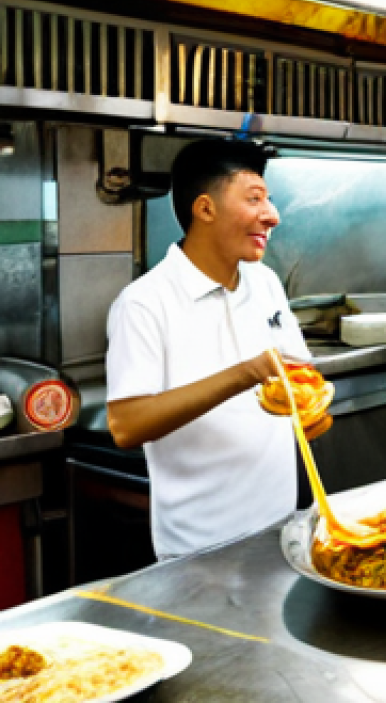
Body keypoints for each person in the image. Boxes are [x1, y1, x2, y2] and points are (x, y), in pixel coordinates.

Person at [106, 139, 309, 559]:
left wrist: (309, 409)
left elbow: (296, 371)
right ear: (205, 209)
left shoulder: (265, 282)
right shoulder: (145, 302)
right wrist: (245, 373)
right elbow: (125, 425)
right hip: (197, 549)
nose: (272, 215)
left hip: (279, 529)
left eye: (268, 199)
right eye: (255, 199)